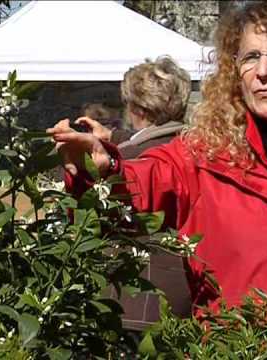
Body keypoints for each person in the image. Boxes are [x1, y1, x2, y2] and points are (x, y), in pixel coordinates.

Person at [48, 1, 267, 358]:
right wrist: (102, 170)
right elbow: (141, 183)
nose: (263, 71)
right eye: (250, 57)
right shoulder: (200, 157)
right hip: (228, 350)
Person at [70, 57, 193, 332]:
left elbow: (86, 221)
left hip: (134, 301)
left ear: (136, 107)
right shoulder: (196, 148)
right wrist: (114, 137)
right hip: (183, 295)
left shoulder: (128, 161)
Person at [78, 56, 189, 159]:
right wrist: (112, 136)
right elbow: (153, 137)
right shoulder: (194, 144)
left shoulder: (127, 158)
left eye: (127, 102)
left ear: (139, 109)